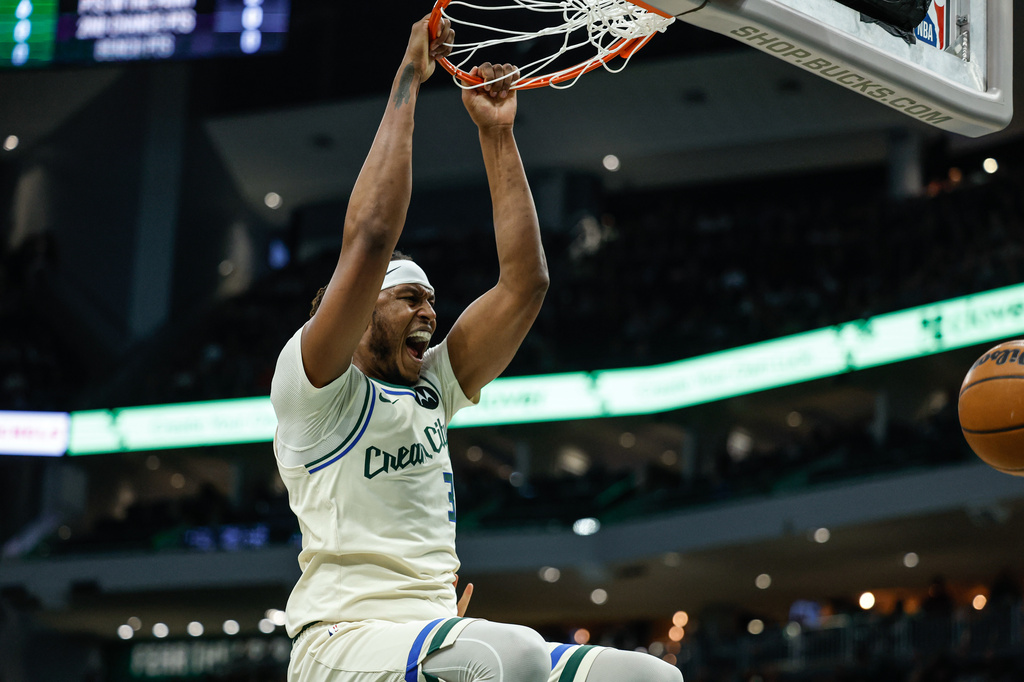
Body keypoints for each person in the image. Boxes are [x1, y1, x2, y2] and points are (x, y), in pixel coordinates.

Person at [270, 14, 683, 682]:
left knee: (652, 679)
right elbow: (371, 235)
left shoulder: (432, 385)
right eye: (409, 298)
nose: (429, 309)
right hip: (342, 642)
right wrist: (409, 77)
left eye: (431, 298)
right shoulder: (313, 388)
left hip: (431, 636)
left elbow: (526, 285)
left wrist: (497, 134)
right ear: (352, 310)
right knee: (511, 652)